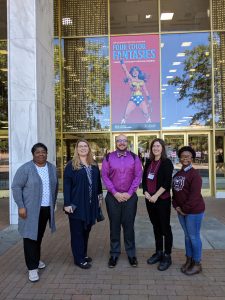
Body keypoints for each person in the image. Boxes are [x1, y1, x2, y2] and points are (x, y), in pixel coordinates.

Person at [11, 143, 58, 282]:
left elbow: (54, 188)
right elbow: (16, 187)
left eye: (43, 151)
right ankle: (32, 268)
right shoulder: (26, 168)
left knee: (38, 237)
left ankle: (36, 260)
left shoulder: (51, 168)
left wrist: (52, 206)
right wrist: (21, 206)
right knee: (30, 238)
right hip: (30, 210)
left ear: (47, 153)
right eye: (37, 152)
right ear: (33, 154)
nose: (41, 154)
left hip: (45, 209)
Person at [102, 134, 142, 268]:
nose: (121, 143)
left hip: (130, 198)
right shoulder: (108, 157)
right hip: (113, 197)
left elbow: (138, 176)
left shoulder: (135, 157)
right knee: (114, 226)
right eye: (119, 140)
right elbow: (105, 177)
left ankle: (131, 254)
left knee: (129, 226)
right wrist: (115, 193)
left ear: (127, 143)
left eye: (124, 141)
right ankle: (114, 254)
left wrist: (130, 193)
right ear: (116, 143)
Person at [63, 139, 103, 269]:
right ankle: (78, 258)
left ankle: (83, 253)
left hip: (90, 205)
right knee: (77, 233)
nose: (83, 148)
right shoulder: (71, 165)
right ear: (76, 149)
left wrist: (100, 196)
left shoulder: (93, 164)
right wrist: (67, 203)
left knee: (86, 230)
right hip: (76, 205)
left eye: (85, 146)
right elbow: (67, 186)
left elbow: (98, 183)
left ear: (89, 149)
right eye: (80, 146)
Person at [172, 146, 205, 275]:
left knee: (193, 236)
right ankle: (189, 260)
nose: (185, 158)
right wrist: (177, 207)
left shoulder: (195, 175)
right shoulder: (178, 174)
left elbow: (194, 196)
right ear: (179, 158)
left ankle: (197, 264)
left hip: (194, 212)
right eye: (183, 156)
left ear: (192, 158)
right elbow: (174, 193)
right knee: (187, 237)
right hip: (182, 211)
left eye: (188, 156)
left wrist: (184, 209)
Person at [142, 138, 174, 271]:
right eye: (154, 146)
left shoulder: (167, 163)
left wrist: (156, 195)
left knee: (165, 227)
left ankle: (167, 255)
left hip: (162, 200)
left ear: (162, 148)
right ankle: (159, 252)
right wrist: (146, 192)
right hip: (150, 200)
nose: (155, 148)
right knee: (156, 226)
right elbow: (144, 179)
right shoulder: (148, 161)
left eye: (158, 146)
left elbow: (167, 183)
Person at [120, 60, 151, 124]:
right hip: (133, 98)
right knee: (126, 114)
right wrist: (122, 62)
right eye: (133, 71)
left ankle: (149, 124)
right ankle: (122, 124)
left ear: (138, 72)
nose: (135, 72)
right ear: (132, 72)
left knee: (146, 114)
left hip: (141, 99)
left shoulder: (141, 81)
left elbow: (146, 90)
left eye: (136, 71)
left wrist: (149, 98)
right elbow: (125, 70)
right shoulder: (131, 78)